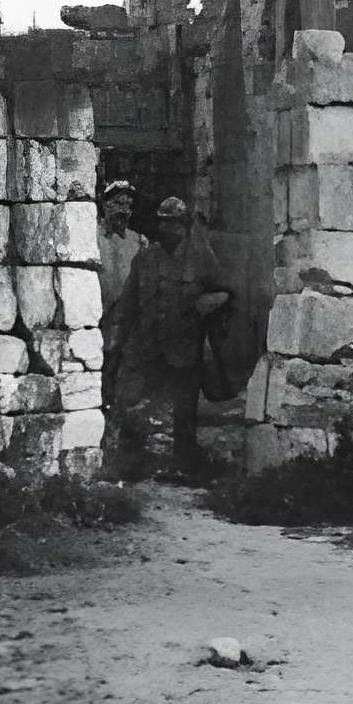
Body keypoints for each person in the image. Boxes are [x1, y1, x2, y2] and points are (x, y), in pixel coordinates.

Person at [117, 194, 230, 483]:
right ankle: (132, 465)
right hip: (147, 347)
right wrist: (120, 342)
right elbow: (129, 304)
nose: (169, 230)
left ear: (185, 226)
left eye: (175, 225)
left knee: (184, 411)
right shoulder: (144, 258)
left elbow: (224, 291)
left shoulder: (201, 258)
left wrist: (204, 304)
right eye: (164, 224)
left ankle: (185, 466)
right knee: (134, 405)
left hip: (184, 348)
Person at [93, 179, 146, 453]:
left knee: (126, 382)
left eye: (127, 204)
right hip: (98, 324)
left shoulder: (138, 242)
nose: (123, 210)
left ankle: (122, 438)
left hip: (127, 325)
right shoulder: (91, 238)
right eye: (117, 203)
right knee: (99, 378)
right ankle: (98, 433)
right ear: (104, 204)